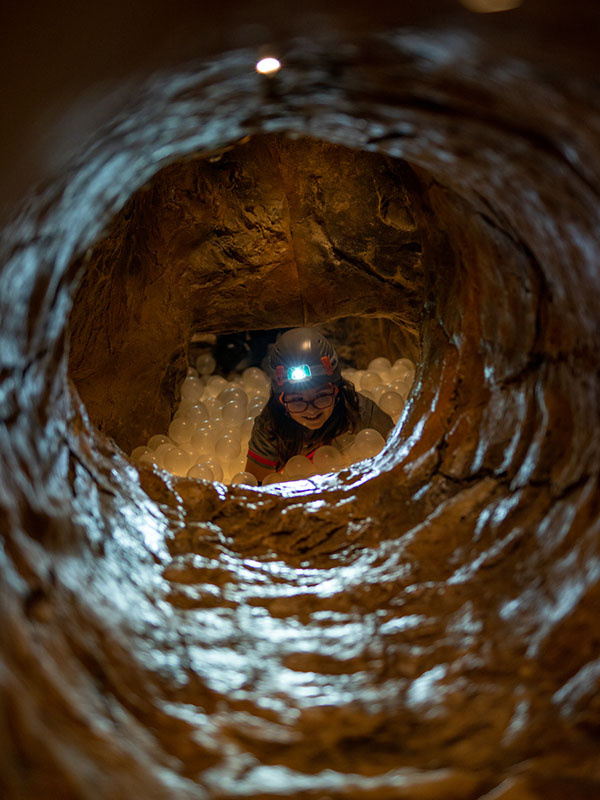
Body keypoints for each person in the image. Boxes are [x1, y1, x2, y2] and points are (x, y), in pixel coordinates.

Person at [245, 327, 394, 483]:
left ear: (336, 391)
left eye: (322, 396)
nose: (311, 410)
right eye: (297, 400)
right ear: (281, 401)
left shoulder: (361, 412)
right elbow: (256, 490)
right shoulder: (270, 428)